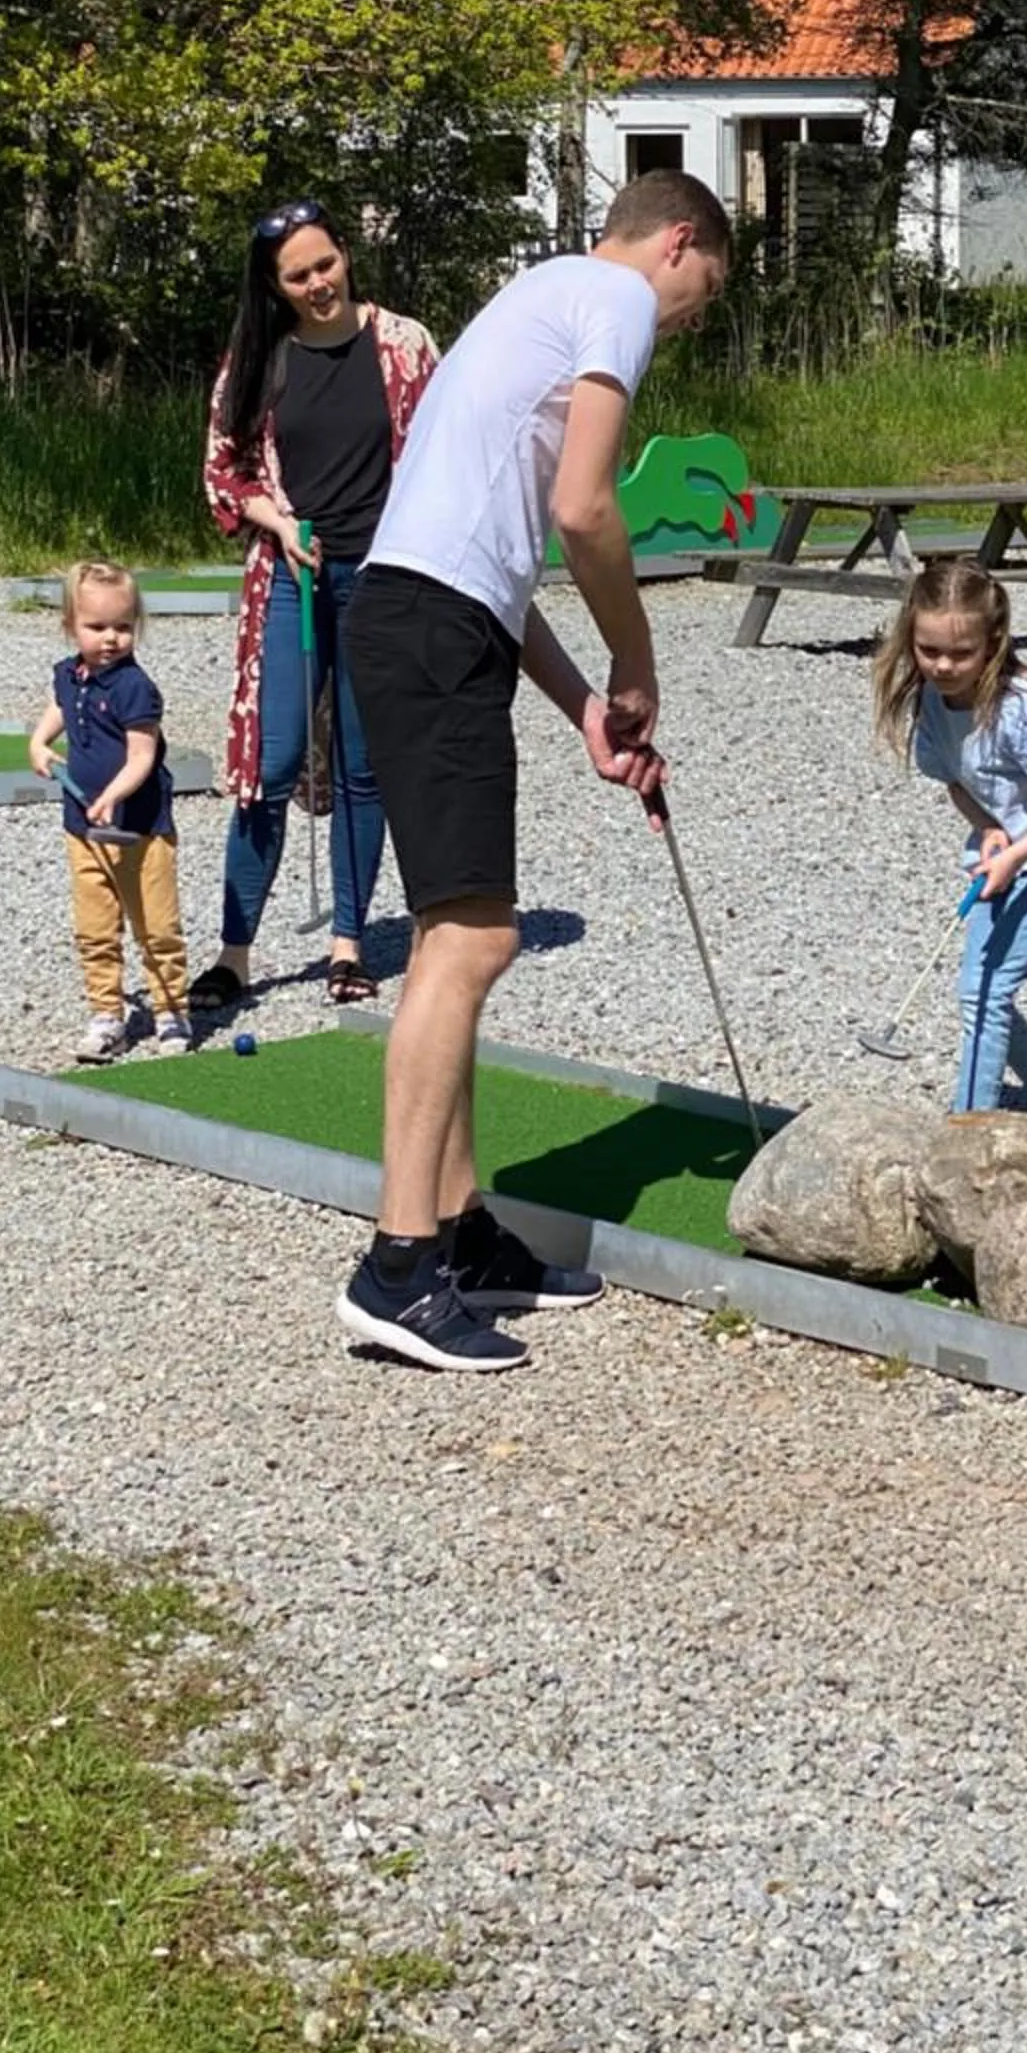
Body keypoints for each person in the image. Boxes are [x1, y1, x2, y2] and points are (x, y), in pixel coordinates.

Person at [339, 167, 734, 1370]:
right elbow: (585, 509)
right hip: (426, 627)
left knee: (466, 930)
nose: (683, 326)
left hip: (432, 619)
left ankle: (459, 1233)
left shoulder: (541, 296)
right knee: (468, 941)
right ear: (677, 245)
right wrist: (636, 658)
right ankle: (397, 1265)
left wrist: (583, 712)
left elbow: (493, 566)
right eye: (700, 302)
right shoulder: (611, 300)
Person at [194, 199, 438, 1011]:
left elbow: (443, 454)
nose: (317, 284)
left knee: (363, 769)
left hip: (382, 577)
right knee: (270, 764)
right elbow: (222, 469)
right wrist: (277, 520)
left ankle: (347, 944)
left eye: (325, 264)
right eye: (298, 276)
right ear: (276, 285)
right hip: (292, 576)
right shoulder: (260, 357)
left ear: (346, 255)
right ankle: (234, 952)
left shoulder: (404, 346)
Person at [872, 555, 1027, 1117]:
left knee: (984, 991)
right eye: (929, 651)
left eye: (961, 653)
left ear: (994, 641)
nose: (944, 665)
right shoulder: (932, 697)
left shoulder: (1026, 707)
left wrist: (1018, 851)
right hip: (1006, 855)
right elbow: (954, 780)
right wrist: (988, 827)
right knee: (983, 987)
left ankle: (967, 1125)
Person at [28, 560, 191, 1062]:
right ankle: (106, 1014)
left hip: (140, 830)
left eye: (123, 627)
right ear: (70, 626)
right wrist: (38, 741)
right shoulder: (71, 673)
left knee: (156, 926)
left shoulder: (134, 687)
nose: (110, 639)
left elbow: (143, 755)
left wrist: (114, 796)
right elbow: (61, 704)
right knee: (95, 925)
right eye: (96, 627)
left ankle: (170, 1011)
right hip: (82, 827)